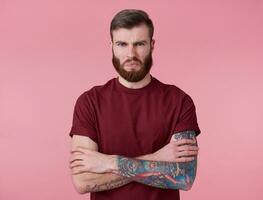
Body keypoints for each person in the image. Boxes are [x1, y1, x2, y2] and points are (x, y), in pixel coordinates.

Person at [69, 9, 201, 200]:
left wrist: (109, 162)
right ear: (112, 46)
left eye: (139, 44)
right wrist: (157, 158)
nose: (131, 54)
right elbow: (83, 182)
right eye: (122, 44)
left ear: (152, 45)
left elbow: (184, 178)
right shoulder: (89, 102)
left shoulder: (179, 101)